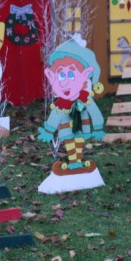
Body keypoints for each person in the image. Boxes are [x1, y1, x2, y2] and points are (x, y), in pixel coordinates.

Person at [38, 35, 106, 175]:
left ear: (85, 75)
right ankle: (73, 162)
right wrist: (49, 130)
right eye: (61, 75)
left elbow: (94, 112)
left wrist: (98, 127)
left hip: (81, 126)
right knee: (70, 142)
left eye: (71, 75)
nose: (65, 82)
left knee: (79, 141)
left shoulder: (85, 99)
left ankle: (77, 162)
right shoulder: (62, 103)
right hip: (66, 129)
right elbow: (56, 115)